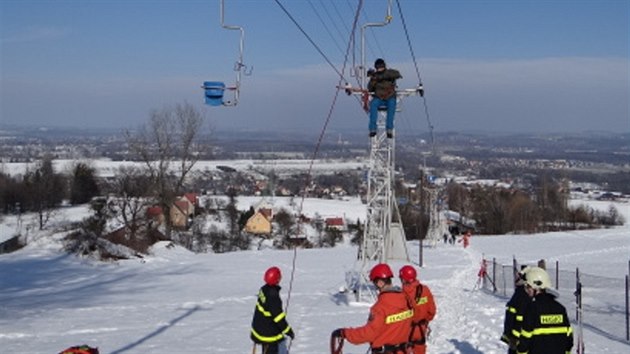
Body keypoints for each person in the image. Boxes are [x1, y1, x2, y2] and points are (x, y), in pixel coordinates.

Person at [331, 263, 413, 354]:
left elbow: (368, 334)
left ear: (380, 283)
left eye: (375, 283)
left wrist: (345, 333)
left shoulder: (381, 307)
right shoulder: (406, 299)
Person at [516, 267, 573, 354]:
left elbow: (525, 340)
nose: (527, 290)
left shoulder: (532, 308)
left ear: (536, 287)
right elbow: (569, 339)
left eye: (528, 287)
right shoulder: (560, 308)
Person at [250, 266, 295, 354]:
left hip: (258, 328)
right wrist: (289, 331)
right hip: (267, 334)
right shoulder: (273, 297)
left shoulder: (264, 289)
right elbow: (279, 318)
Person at [399, 265, 436, 354]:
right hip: (421, 329)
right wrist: (425, 322)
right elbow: (432, 311)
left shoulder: (401, 294)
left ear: (404, 279)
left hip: (405, 331)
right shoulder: (425, 290)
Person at [367, 58, 402, 138]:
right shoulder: (374, 76)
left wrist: (381, 76)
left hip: (389, 97)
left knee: (391, 108)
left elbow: (397, 74)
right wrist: (373, 79)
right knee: (373, 106)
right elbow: (370, 88)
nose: (379, 69)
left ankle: (389, 129)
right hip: (379, 97)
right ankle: (373, 129)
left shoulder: (389, 73)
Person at [500, 266, 530, 354]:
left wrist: (508, 334)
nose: (516, 278)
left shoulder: (520, 293)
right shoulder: (532, 293)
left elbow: (511, 314)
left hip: (517, 336)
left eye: (519, 276)